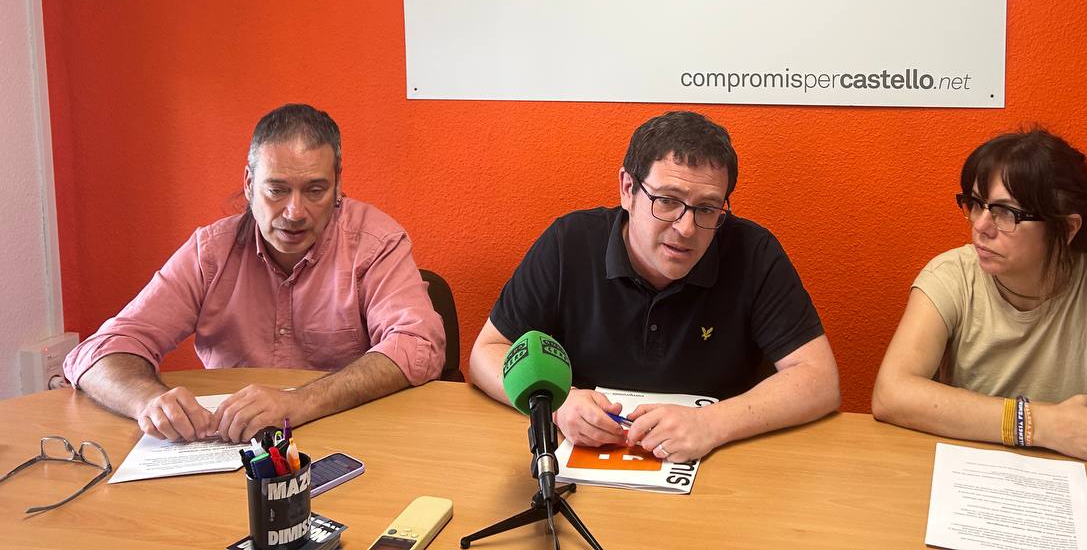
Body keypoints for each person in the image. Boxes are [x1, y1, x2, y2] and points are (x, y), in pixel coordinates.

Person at [469, 110, 841, 463]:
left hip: (718, 465)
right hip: (585, 458)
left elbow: (819, 379)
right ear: (627, 189)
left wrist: (712, 423)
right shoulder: (569, 243)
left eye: (707, 208)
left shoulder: (753, 251)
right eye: (667, 201)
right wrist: (556, 404)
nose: (686, 228)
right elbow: (487, 352)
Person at [63, 104, 444, 443]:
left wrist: (300, 402)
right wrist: (149, 401)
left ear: (338, 185)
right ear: (249, 184)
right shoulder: (211, 251)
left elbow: (418, 345)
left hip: (347, 438)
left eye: (315, 190)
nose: (295, 212)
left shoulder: (374, 241)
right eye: (276, 190)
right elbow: (100, 351)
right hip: (233, 444)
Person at [872, 127, 1087, 466]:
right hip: (976, 474)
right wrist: (1039, 425)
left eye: (1006, 212)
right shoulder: (952, 274)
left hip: (1085, 480)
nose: (981, 226)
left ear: (1066, 228)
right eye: (976, 204)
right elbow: (891, 394)